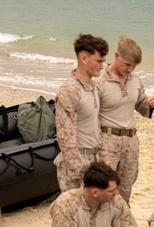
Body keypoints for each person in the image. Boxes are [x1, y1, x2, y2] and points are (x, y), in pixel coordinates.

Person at [96, 36, 154, 203]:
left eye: (134, 66)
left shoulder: (136, 81)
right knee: (103, 188)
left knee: (125, 190)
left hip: (130, 142)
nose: (130, 69)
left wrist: (150, 105)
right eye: (127, 64)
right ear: (116, 56)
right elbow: (88, 117)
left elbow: (142, 107)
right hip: (107, 140)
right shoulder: (99, 80)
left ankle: (120, 223)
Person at [54, 33, 107, 192]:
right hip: (76, 165)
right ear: (84, 58)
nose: (102, 66)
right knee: (75, 215)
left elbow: (96, 125)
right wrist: (80, 173)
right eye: (98, 61)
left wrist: (104, 159)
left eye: (103, 62)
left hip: (93, 161)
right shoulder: (70, 91)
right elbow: (65, 136)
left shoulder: (94, 87)